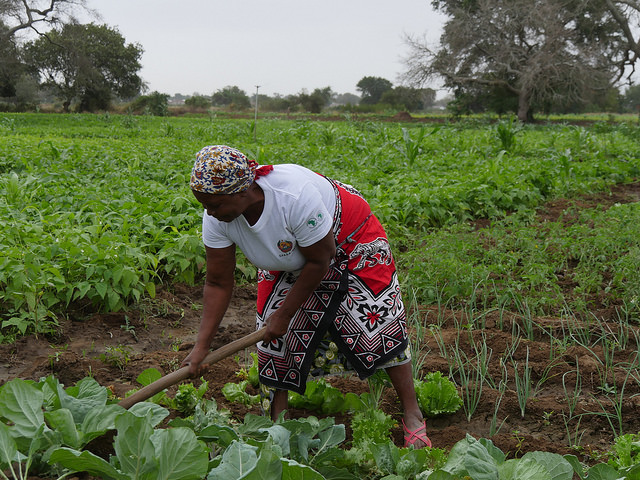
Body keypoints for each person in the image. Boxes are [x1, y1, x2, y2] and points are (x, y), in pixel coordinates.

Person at [181, 145, 431, 448]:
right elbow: (218, 282)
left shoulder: (293, 198)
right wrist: (201, 347)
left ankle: (413, 413)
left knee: (376, 319)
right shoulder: (217, 218)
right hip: (286, 256)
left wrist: (285, 316)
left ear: (241, 191)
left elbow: (319, 261)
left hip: (348, 239)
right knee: (271, 338)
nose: (209, 212)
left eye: (214, 205)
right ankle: (278, 428)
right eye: (205, 205)